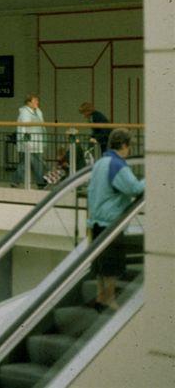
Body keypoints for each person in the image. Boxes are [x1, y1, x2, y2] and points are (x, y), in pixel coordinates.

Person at [86, 128, 143, 311]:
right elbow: (133, 188)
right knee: (111, 265)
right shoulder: (117, 164)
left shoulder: (100, 163)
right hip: (110, 223)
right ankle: (110, 300)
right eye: (129, 147)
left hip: (95, 221)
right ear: (125, 145)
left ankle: (100, 297)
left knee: (100, 264)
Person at [13, 93, 47, 187]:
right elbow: (24, 126)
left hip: (36, 141)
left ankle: (16, 181)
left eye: (37, 100)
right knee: (29, 163)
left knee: (32, 163)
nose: (37, 102)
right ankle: (39, 182)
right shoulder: (25, 112)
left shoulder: (38, 111)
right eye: (34, 101)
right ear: (28, 103)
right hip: (28, 142)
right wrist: (24, 140)